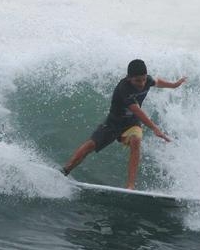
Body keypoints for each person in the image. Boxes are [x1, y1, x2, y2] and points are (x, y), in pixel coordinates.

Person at [61, 59, 186, 189]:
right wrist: (154, 128)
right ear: (129, 78)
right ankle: (65, 171)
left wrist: (174, 85)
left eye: (143, 79)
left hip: (131, 124)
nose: (142, 83)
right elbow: (136, 110)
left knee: (136, 140)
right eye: (137, 80)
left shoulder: (147, 80)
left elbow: (157, 82)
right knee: (90, 145)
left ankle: (130, 186)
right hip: (113, 123)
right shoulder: (123, 88)